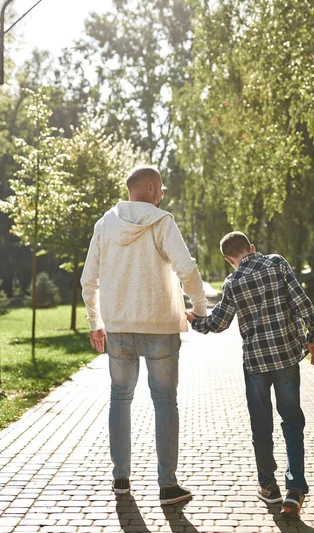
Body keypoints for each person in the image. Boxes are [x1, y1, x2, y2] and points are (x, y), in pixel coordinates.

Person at [81, 165, 207, 504]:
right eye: (161, 188)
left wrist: (96, 322)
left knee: (120, 398)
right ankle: (167, 485)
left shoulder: (105, 224)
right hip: (160, 327)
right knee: (164, 401)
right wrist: (200, 308)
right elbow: (188, 269)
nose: (163, 194)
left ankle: (120, 478)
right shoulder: (162, 222)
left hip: (119, 327)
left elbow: (88, 278)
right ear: (150, 188)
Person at [186, 231, 314, 519]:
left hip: (256, 364)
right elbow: (303, 303)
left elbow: (219, 322)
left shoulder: (233, 281)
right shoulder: (277, 263)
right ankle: (295, 489)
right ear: (252, 248)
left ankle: (268, 487)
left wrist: (196, 322)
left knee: (261, 426)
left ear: (228, 259)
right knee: (292, 421)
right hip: (286, 356)